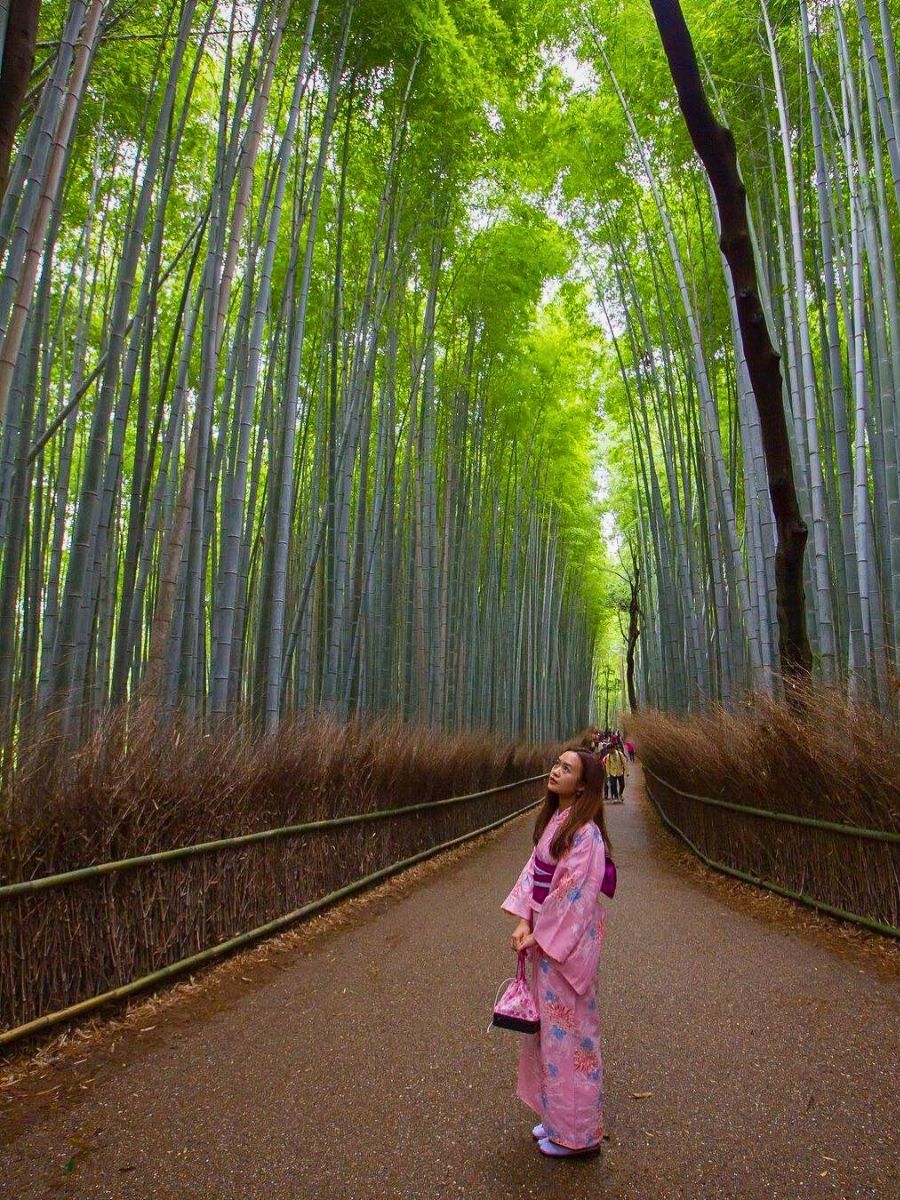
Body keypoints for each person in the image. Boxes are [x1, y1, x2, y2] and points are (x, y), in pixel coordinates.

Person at [501, 749, 610, 1158]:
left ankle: (578, 1135)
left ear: (582, 785)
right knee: (549, 1036)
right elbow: (535, 873)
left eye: (567, 769)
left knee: (574, 1040)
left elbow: (574, 894)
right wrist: (525, 920)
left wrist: (542, 934)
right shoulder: (555, 823)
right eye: (557, 764)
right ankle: (555, 1117)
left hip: (567, 949)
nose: (556, 771)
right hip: (546, 944)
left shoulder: (587, 835)